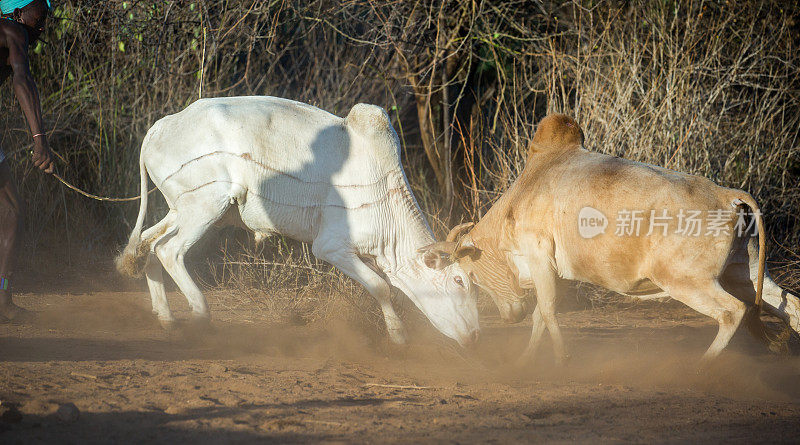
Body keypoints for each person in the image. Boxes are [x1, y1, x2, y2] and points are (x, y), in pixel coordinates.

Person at [0, 0, 54, 321]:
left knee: (10, 210)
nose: (43, 24)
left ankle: (3, 300)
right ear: (19, 11)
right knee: (10, 211)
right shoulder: (12, 30)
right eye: (40, 15)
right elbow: (22, 80)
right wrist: (39, 140)